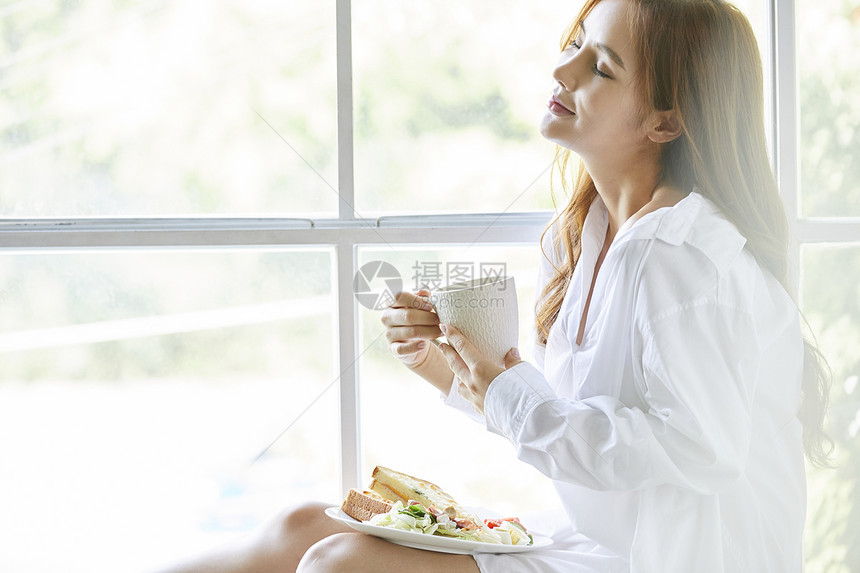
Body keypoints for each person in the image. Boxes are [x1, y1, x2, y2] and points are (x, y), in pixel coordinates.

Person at [155, 0, 831, 571]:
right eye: (574, 45)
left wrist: (505, 389)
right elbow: (585, 420)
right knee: (302, 526)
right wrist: (454, 371)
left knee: (339, 564)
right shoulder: (593, 234)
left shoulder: (684, 257)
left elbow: (699, 448)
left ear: (664, 120)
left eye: (599, 66)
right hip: (594, 539)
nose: (561, 69)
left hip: (664, 558)